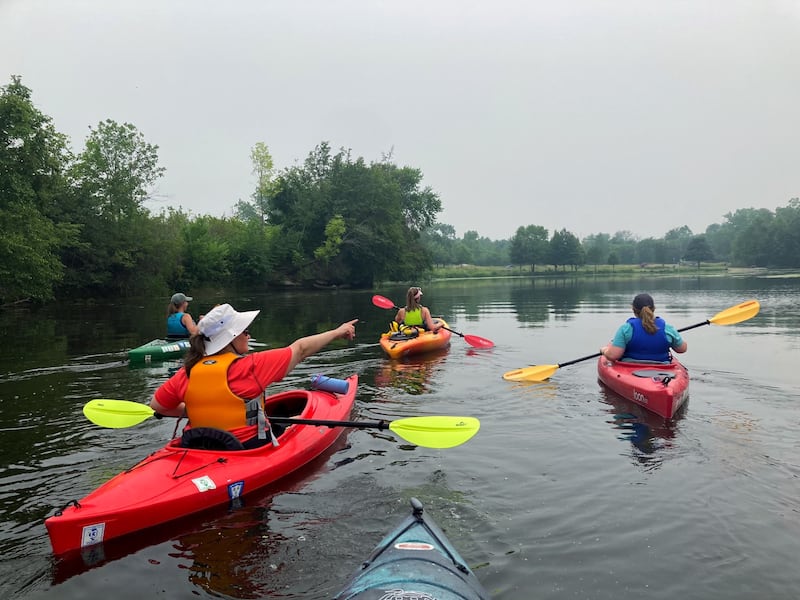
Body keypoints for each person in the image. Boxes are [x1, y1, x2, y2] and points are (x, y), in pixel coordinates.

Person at [150, 303, 357, 447]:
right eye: (245, 331)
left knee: (281, 420)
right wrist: (337, 332)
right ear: (231, 337)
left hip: (195, 446)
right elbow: (301, 349)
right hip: (245, 447)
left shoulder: (186, 371)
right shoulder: (252, 367)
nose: (248, 335)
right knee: (288, 422)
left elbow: (158, 406)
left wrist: (199, 411)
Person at [600, 293, 688, 363]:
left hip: (630, 369)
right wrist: (676, 338)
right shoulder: (667, 329)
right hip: (663, 370)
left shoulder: (626, 329)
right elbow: (682, 349)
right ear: (653, 308)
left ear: (633, 309)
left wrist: (604, 350)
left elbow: (613, 356)